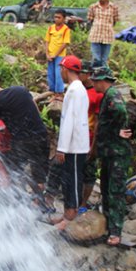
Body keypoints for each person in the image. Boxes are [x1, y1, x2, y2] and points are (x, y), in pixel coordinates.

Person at [0, 80, 50, 196]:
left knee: (13, 169)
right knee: (39, 174)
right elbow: (34, 106)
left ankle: (16, 199)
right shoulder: (20, 90)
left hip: (23, 141)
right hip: (41, 135)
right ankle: (39, 203)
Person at [90, 65, 131, 246]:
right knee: (106, 187)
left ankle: (116, 231)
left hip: (117, 154)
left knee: (115, 191)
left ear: (102, 81)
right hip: (109, 152)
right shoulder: (108, 95)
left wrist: (117, 131)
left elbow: (121, 112)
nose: (93, 84)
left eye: (95, 81)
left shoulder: (113, 95)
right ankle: (108, 223)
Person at [52, 55, 90, 230]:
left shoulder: (75, 91)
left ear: (65, 70)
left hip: (74, 145)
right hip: (74, 144)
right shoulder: (77, 89)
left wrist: (62, 148)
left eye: (61, 69)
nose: (60, 72)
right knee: (68, 178)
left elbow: (69, 121)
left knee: (73, 179)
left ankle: (71, 215)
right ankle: (67, 212)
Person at [79, 61, 104, 213]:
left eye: (81, 72)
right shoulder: (77, 89)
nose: (78, 75)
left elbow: (98, 122)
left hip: (89, 138)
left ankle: (83, 204)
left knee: (89, 172)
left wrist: (93, 146)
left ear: (88, 74)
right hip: (77, 137)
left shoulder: (97, 94)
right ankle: (74, 201)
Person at [87, 0, 119, 66]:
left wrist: (108, 27)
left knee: (104, 60)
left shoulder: (113, 8)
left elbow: (115, 21)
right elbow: (90, 20)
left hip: (107, 37)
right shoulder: (93, 7)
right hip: (95, 36)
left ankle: (103, 77)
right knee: (96, 59)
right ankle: (94, 76)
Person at [45, 9, 71, 99]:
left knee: (58, 73)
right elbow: (47, 41)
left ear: (63, 19)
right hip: (50, 55)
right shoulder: (51, 28)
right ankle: (52, 91)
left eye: (59, 17)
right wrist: (47, 54)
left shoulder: (66, 29)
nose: (56, 19)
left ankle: (59, 92)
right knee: (50, 73)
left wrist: (55, 54)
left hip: (59, 55)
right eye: (55, 17)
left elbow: (65, 43)